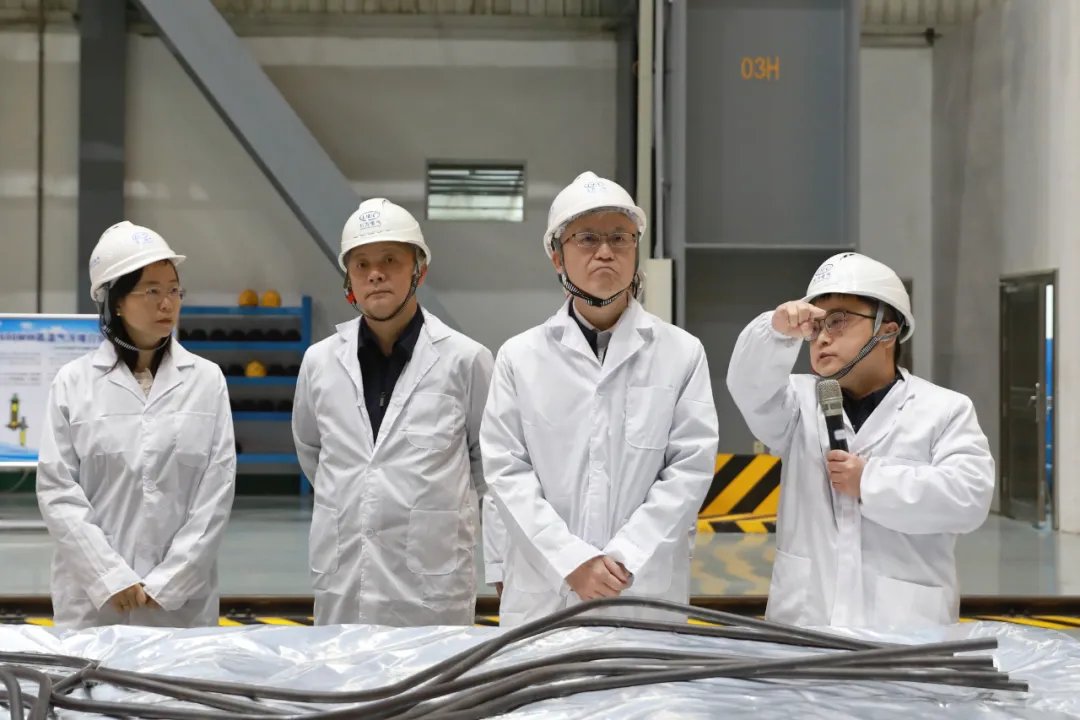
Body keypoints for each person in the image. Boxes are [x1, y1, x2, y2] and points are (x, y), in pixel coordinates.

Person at [480, 171, 720, 627]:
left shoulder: (682, 353)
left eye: (620, 237)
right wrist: (572, 562)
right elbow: (506, 473)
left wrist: (623, 558)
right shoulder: (519, 357)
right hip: (547, 590)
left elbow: (689, 470)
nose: (605, 251)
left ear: (636, 248)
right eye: (587, 238)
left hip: (641, 589)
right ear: (557, 255)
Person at [726, 252, 994, 628]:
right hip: (808, 623)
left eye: (838, 320)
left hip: (903, 629)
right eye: (815, 326)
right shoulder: (797, 404)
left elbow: (969, 498)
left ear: (888, 330)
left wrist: (870, 481)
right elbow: (747, 386)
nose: (822, 338)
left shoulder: (944, 410)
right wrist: (774, 332)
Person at [292, 198, 494, 627]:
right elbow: (312, 452)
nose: (375, 274)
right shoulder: (320, 362)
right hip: (346, 575)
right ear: (349, 278)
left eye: (390, 260)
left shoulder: (465, 359)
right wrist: (366, 490)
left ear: (419, 270)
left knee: (437, 671)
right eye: (361, 264)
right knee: (343, 668)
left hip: (431, 582)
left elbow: (486, 465)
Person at [37, 221, 236, 630]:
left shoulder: (206, 380)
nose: (167, 303)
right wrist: (109, 577)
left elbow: (216, 491)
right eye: (152, 291)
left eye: (174, 290)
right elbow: (58, 491)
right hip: (95, 605)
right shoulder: (74, 383)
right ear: (116, 302)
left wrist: (172, 581)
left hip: (180, 606)